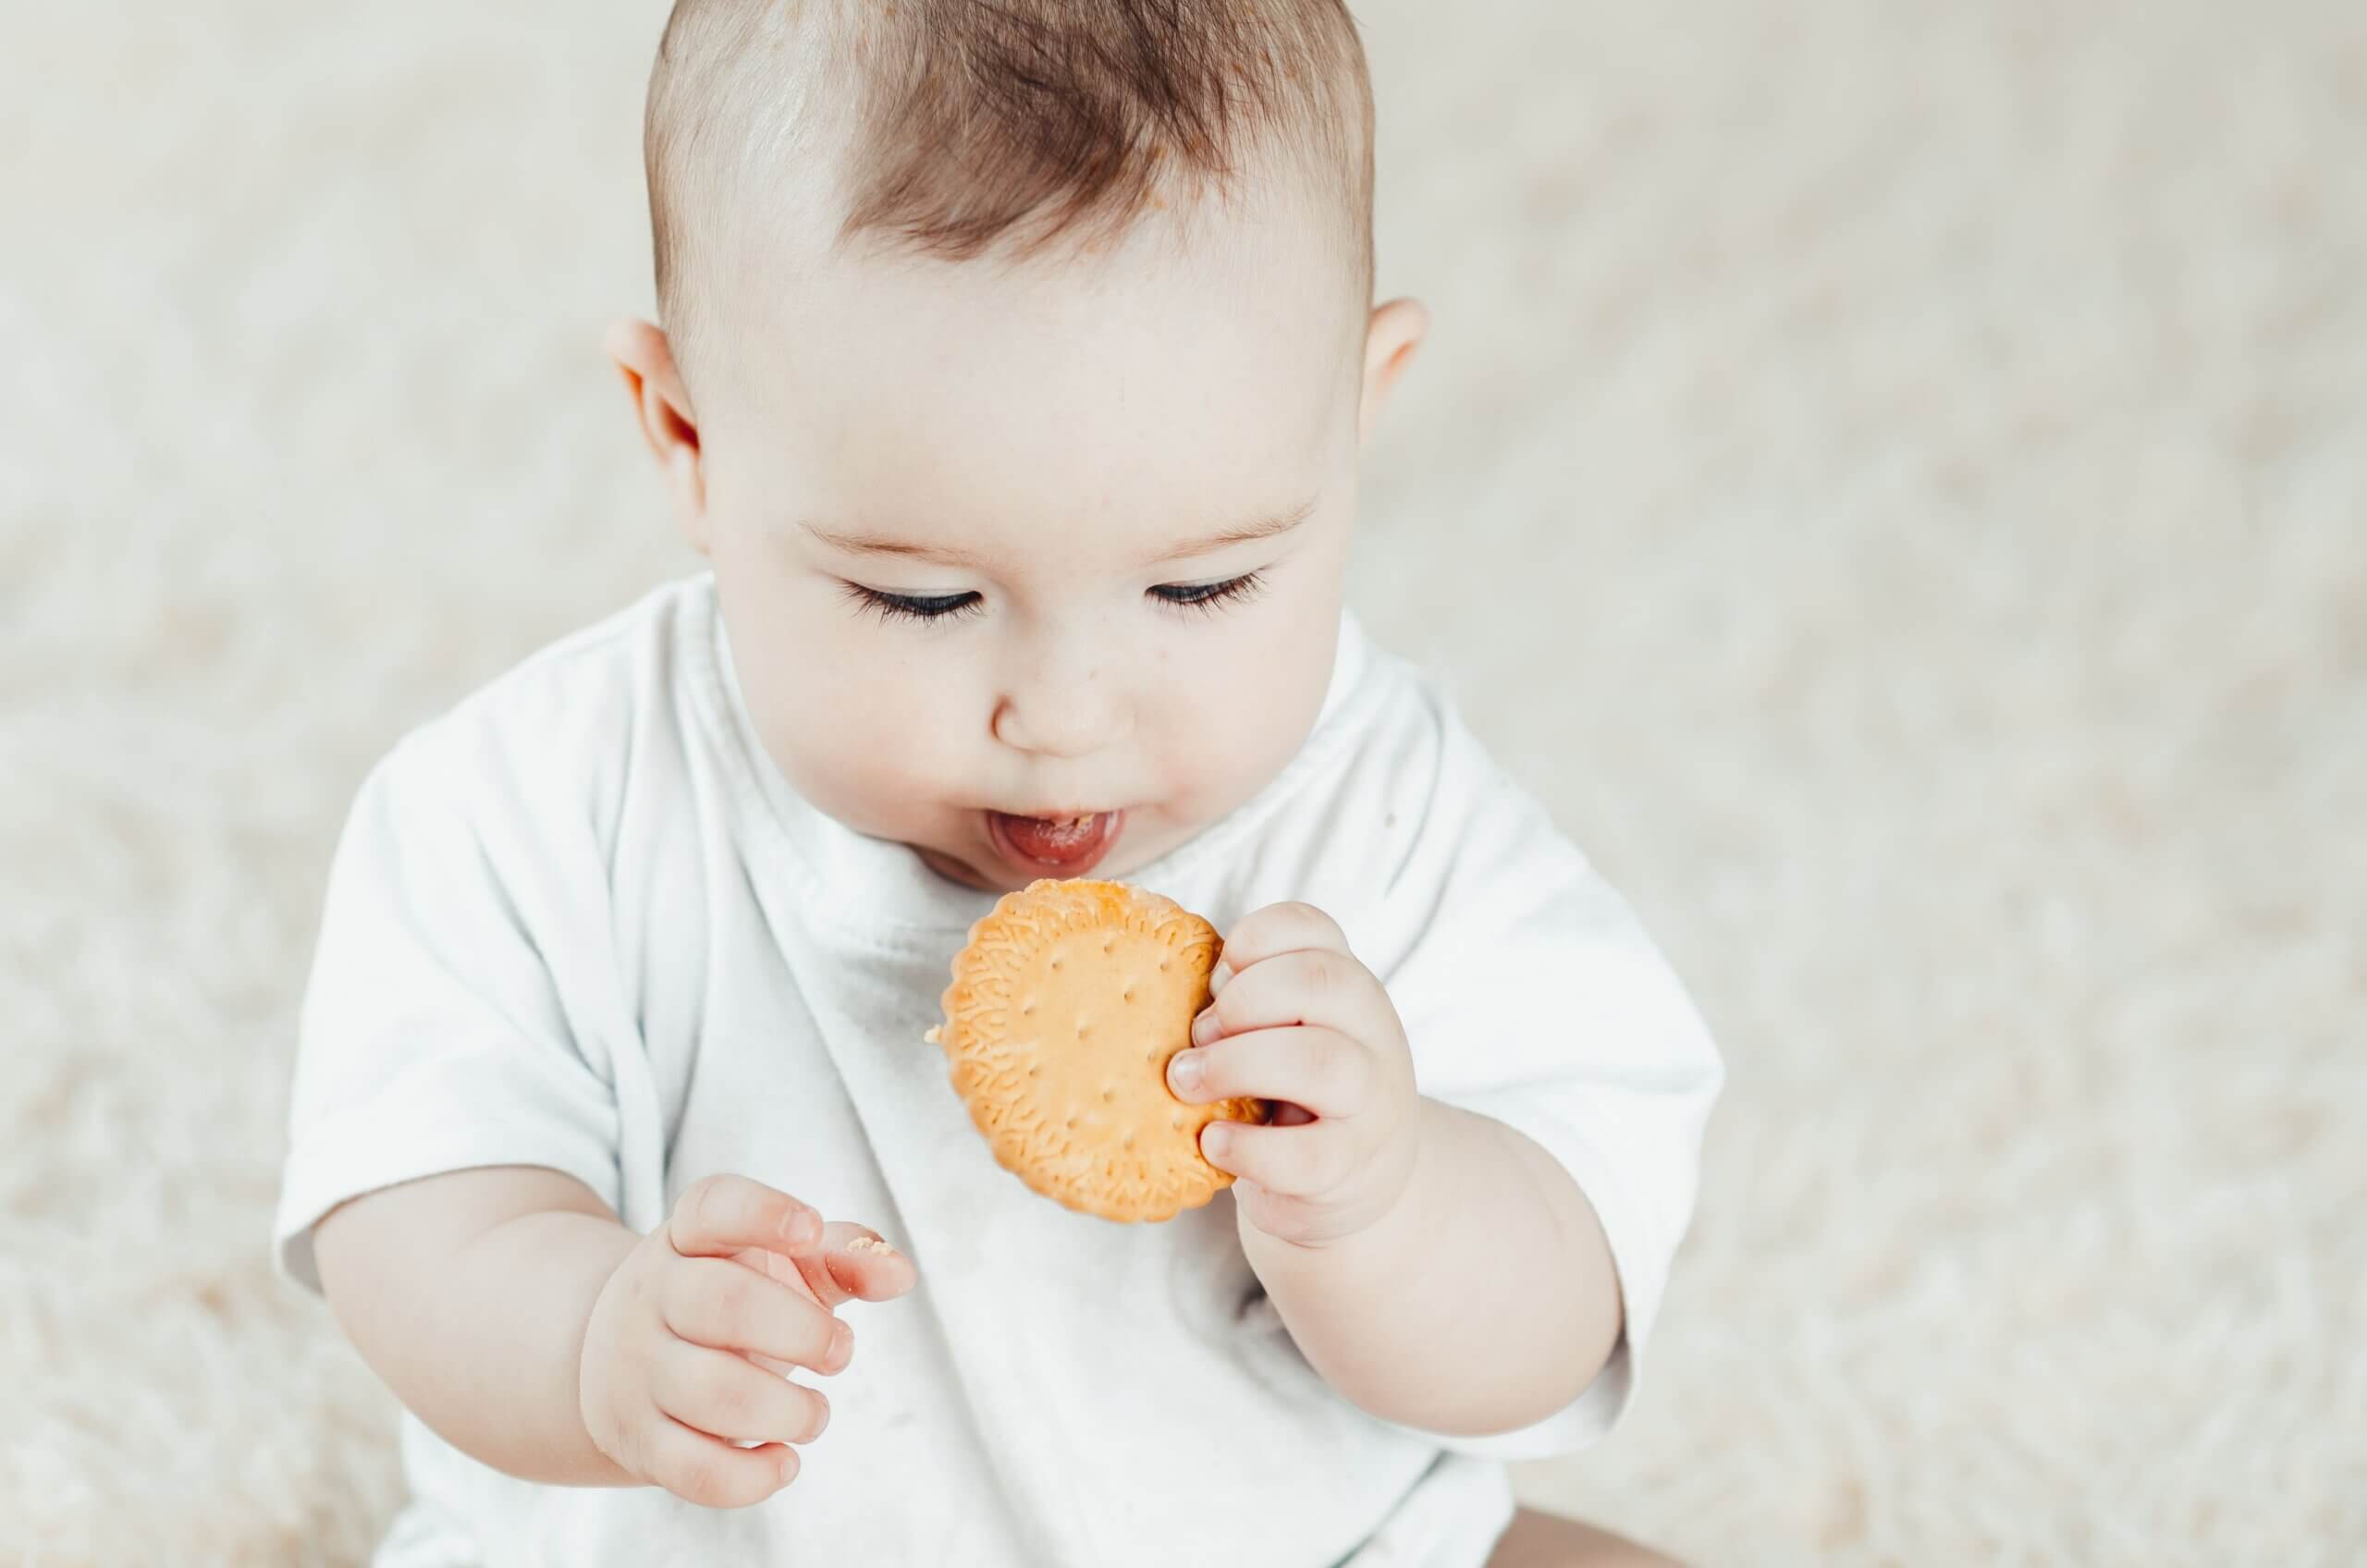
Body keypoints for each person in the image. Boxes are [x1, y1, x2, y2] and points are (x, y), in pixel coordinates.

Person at [271, 3, 1723, 1563]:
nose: (1066, 717)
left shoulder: (1395, 819)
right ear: (690, 436)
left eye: (1203, 587)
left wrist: (1390, 1203)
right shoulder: (543, 804)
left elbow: (1565, 1307)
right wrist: (592, 1339)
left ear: (1355, 413)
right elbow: (409, 1217)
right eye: (926, 600)